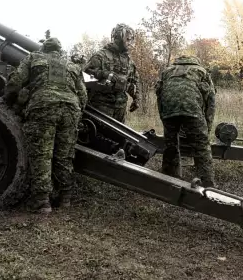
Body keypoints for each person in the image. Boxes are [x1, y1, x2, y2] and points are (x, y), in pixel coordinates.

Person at [3, 36, 87, 213]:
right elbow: (83, 96)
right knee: (64, 155)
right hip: (70, 110)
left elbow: (15, 82)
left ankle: (42, 201)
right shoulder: (71, 65)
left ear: (44, 49)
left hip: (43, 107)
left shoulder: (34, 58)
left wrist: (9, 101)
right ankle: (65, 198)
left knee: (42, 153)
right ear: (59, 49)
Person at [155, 54, 216, 187]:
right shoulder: (201, 72)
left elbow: (159, 95)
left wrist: (164, 117)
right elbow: (211, 102)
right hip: (192, 111)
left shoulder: (167, 72)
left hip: (169, 110)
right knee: (202, 147)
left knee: (170, 144)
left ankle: (169, 179)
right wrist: (207, 128)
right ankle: (207, 185)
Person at [83, 23, 140, 123]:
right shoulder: (101, 56)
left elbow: (134, 81)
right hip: (101, 106)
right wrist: (104, 74)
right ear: (118, 37)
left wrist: (136, 98)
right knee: (100, 137)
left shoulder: (129, 61)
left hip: (120, 108)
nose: (129, 42)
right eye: (127, 39)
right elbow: (85, 76)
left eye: (131, 39)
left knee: (118, 137)